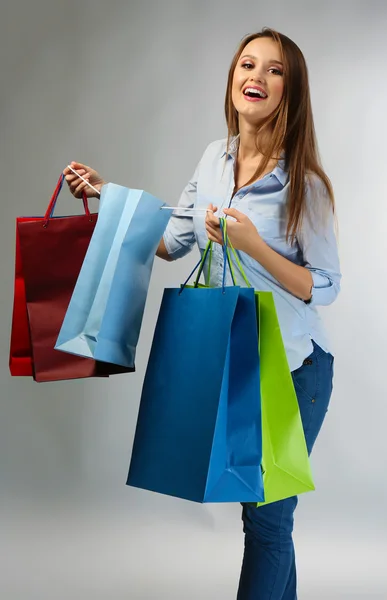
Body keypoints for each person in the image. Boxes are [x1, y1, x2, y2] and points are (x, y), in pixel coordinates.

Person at [64, 27, 341, 600]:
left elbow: (326, 287)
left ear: (291, 91)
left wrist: (252, 246)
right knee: (264, 516)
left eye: (274, 70)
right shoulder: (214, 158)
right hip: (234, 360)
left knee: (267, 518)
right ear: (233, 78)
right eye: (247, 64)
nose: (256, 77)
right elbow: (172, 242)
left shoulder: (305, 185)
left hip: (292, 370)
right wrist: (107, 199)